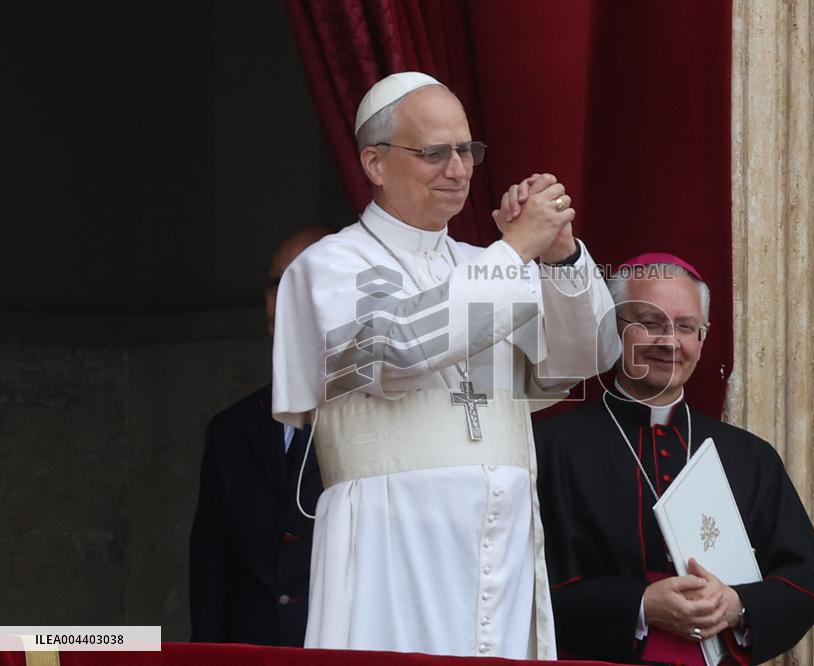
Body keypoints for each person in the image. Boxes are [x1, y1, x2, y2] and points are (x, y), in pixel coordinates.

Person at [271, 71, 620, 658]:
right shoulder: (330, 265)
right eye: (434, 153)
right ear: (375, 163)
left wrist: (559, 257)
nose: (457, 170)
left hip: (500, 548)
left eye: (466, 151)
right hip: (390, 543)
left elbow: (584, 357)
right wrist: (516, 251)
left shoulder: (484, 264)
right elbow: (395, 351)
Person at [535, 253, 814, 665]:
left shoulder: (749, 456)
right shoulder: (551, 446)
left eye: (686, 327)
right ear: (614, 329)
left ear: (702, 338)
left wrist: (734, 605)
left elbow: (804, 586)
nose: (670, 342)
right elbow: (525, 590)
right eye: (649, 323)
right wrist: (641, 606)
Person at [189, 227, 328, 646]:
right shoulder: (230, 431)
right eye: (275, 285)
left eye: (304, 283)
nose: (285, 300)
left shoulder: (390, 418)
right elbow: (213, 578)